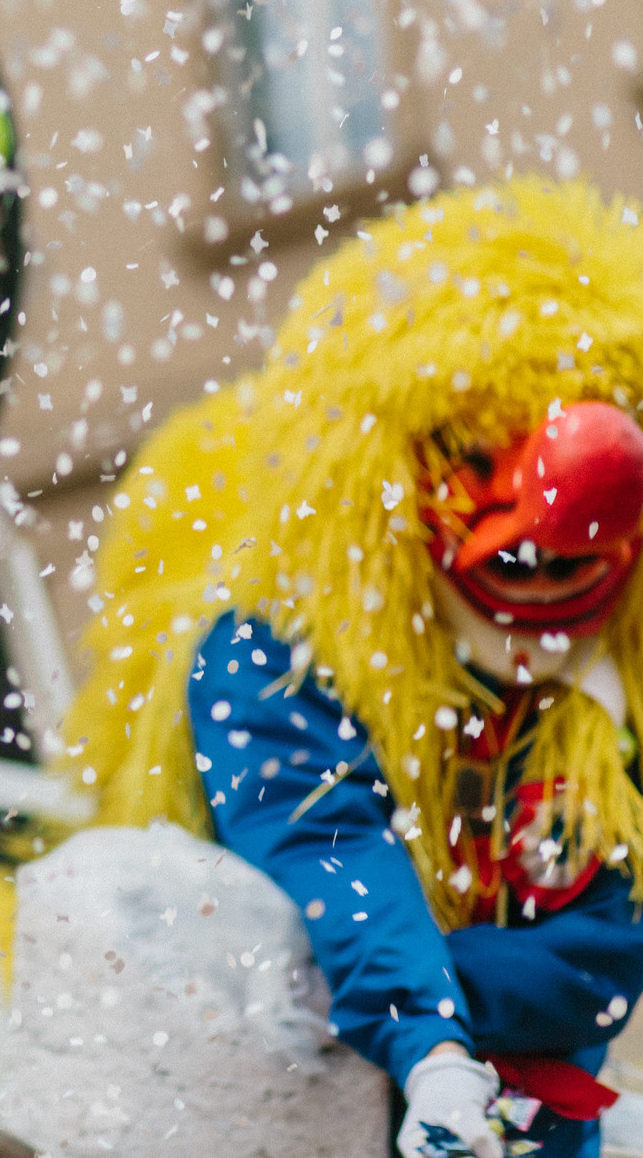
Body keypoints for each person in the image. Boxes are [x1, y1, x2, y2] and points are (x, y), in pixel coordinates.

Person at [65, 177, 643, 1158]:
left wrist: (425, 1001)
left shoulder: (587, 700)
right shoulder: (267, 655)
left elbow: (603, 953)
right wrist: (428, 1043)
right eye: (475, 449)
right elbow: (329, 853)